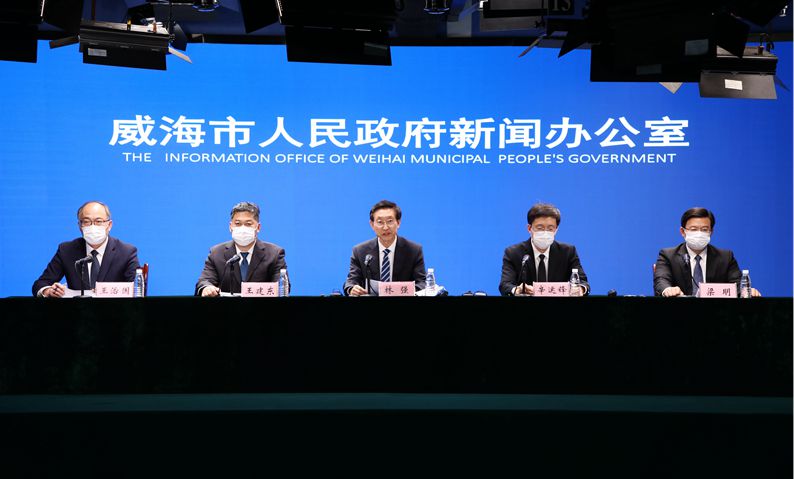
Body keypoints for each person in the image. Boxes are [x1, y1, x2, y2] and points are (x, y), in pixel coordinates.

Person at [32, 201, 140, 297]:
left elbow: (136, 291)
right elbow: (40, 284)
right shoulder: (67, 250)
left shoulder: (126, 252)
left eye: (98, 221)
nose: (93, 226)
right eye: (86, 221)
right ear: (80, 226)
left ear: (109, 225)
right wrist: (48, 291)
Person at [654, 207, 760, 297]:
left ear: (711, 232)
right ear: (683, 231)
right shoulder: (668, 255)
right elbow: (661, 280)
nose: (699, 233)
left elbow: (737, 285)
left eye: (704, 229)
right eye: (693, 229)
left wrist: (746, 291)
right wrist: (668, 289)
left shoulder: (725, 257)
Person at [196, 201, 289, 296]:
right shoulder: (216, 253)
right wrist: (207, 288)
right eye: (237, 223)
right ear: (230, 227)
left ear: (258, 227)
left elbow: (282, 287)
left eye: (248, 224)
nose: (243, 228)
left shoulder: (274, 254)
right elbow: (205, 281)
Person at [499, 203, 589, 296]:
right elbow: (505, 285)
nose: (545, 233)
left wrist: (581, 289)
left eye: (550, 229)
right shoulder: (513, 253)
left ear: (556, 230)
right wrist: (517, 290)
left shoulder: (567, 252)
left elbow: (583, 282)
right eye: (540, 228)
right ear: (529, 228)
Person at [344, 200, 426, 296]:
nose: (385, 227)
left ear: (398, 223)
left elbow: (422, 283)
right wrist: (352, 289)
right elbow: (351, 282)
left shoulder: (413, 250)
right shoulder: (360, 251)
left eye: (390, 221)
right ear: (372, 225)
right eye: (380, 222)